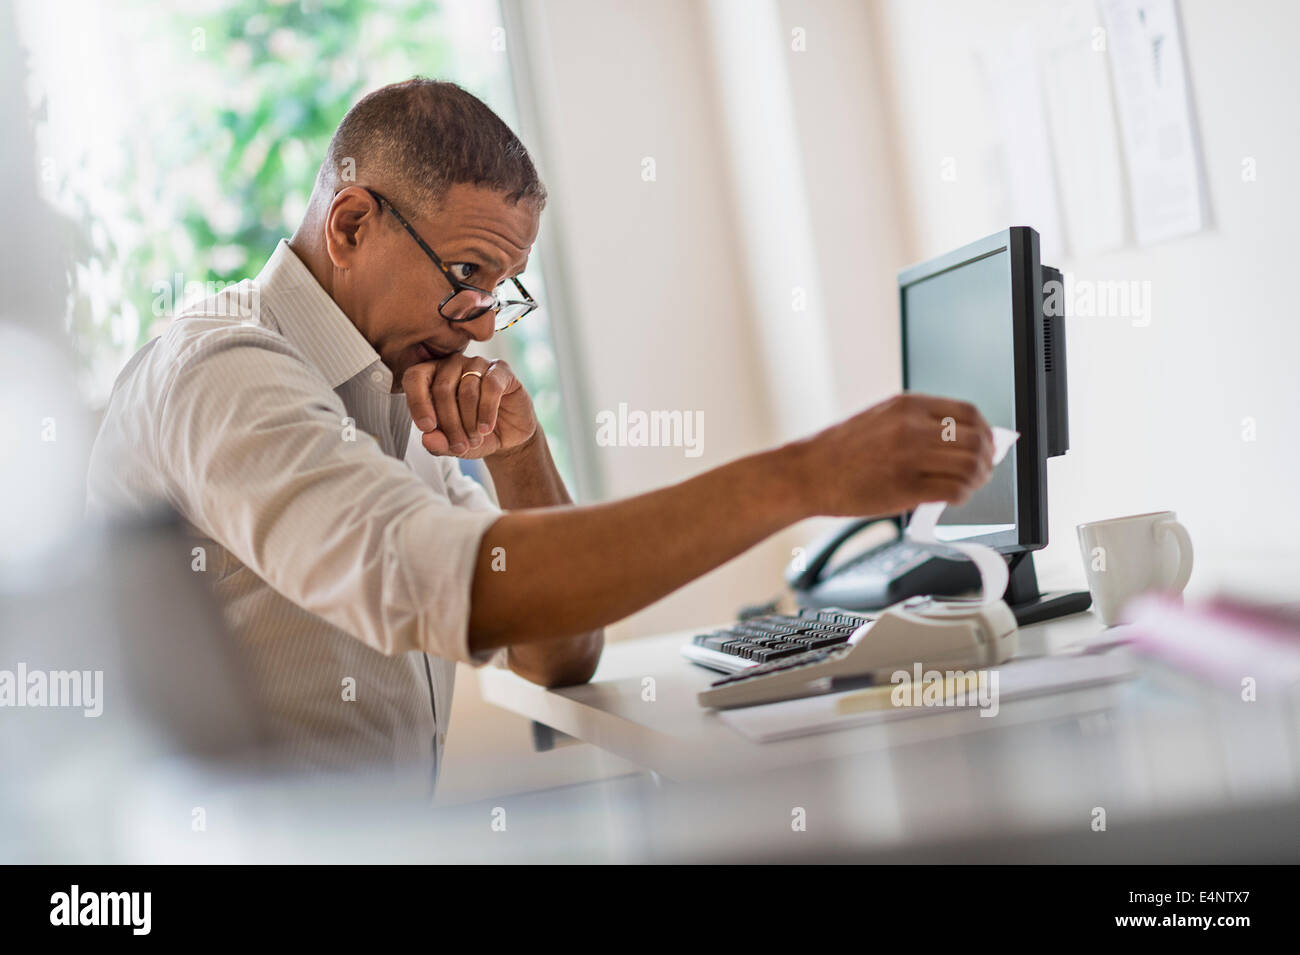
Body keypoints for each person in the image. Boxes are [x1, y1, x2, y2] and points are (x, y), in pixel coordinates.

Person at [86, 78, 993, 774]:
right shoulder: (225, 368)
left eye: (498, 291)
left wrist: (522, 455)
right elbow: (437, 582)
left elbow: (553, 653)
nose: (480, 322)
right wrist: (800, 479)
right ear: (353, 223)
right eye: (467, 273)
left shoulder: (384, 384)